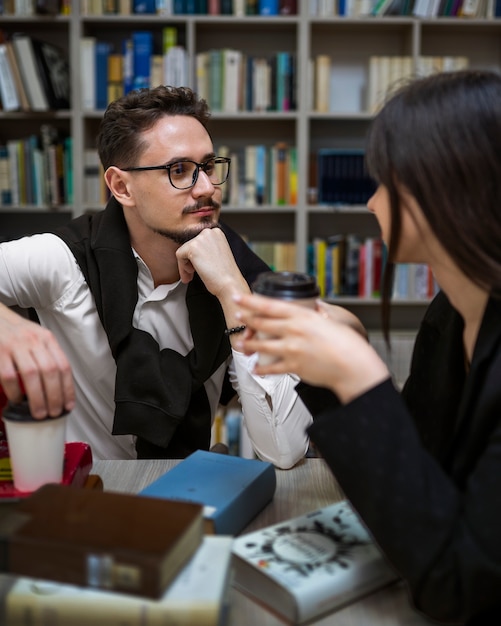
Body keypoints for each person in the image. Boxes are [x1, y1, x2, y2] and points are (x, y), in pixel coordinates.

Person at [233, 69, 501, 624]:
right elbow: (419, 476)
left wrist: (360, 377)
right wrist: (337, 365)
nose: (372, 203)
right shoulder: (452, 314)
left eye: (385, 182)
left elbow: (463, 590)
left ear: (446, 189)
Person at [0, 85, 313, 466]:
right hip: (84, 499)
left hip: (195, 496)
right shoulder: (64, 260)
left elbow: (285, 450)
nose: (207, 188)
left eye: (209, 166)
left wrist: (232, 293)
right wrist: (7, 326)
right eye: (178, 170)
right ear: (121, 186)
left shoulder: (237, 271)